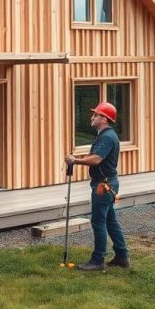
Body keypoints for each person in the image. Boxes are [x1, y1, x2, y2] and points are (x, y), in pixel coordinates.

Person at [64, 101, 129, 271]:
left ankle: (97, 260)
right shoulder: (104, 135)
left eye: (96, 115)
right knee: (111, 221)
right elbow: (95, 155)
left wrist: (76, 161)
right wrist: (78, 157)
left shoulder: (107, 137)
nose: (92, 117)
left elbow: (96, 159)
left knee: (98, 222)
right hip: (108, 183)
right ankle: (122, 257)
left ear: (104, 119)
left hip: (103, 185)